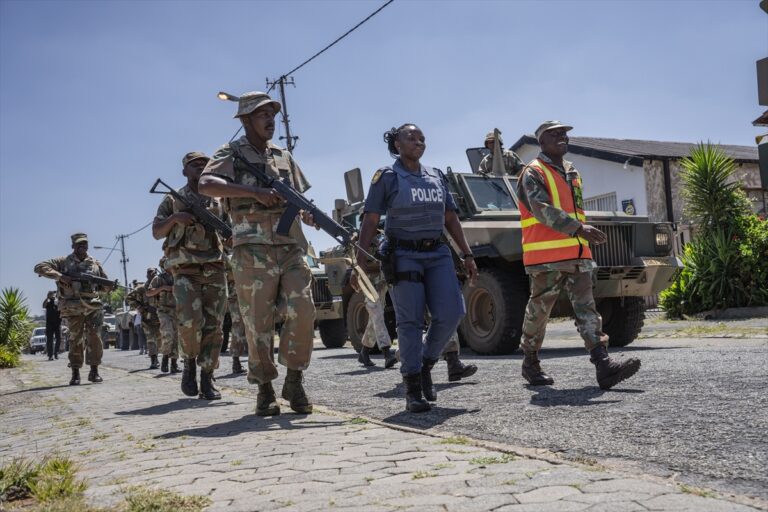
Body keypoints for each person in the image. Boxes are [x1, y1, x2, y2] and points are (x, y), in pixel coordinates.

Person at [198, 91, 316, 416]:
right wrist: (253, 192)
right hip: (251, 250)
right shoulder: (231, 152)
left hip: (290, 247)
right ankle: (265, 388)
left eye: (272, 114)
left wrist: (308, 215)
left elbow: (300, 197)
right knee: (257, 322)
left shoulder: (283, 155)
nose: (270, 120)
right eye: (262, 115)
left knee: (303, 310)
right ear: (246, 120)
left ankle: (294, 379)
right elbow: (206, 184)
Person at [355, 123, 478, 413]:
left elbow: (450, 218)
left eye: (421, 137)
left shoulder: (436, 176)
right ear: (396, 145)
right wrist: (358, 262)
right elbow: (371, 221)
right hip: (403, 255)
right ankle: (412, 388)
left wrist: (467, 254)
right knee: (409, 323)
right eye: (410, 137)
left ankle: (425, 362)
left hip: (437, 253)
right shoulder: (386, 177)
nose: (417, 141)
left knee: (452, 312)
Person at [516, 121, 641, 389]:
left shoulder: (572, 171)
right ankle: (530, 362)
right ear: (542, 142)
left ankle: (603, 365)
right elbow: (541, 209)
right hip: (546, 257)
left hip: (578, 253)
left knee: (587, 308)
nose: (562, 136)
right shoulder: (533, 172)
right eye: (555, 134)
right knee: (539, 311)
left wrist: (579, 234)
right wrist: (578, 228)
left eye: (564, 133)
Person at [152, 151, 227, 400]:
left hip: (215, 268)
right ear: (185, 171)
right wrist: (176, 218)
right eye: (194, 165)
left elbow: (233, 229)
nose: (200, 168)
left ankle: (207, 377)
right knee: (190, 322)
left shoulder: (218, 198)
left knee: (213, 326)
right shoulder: (173, 200)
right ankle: (189, 364)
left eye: (204, 165)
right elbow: (156, 232)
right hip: (186, 271)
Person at [34, 233, 113, 385]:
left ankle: (94, 371)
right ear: (73, 246)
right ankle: (75, 372)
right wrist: (60, 276)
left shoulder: (95, 263)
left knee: (95, 338)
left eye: (84, 244)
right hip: (73, 308)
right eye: (79, 244)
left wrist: (109, 287)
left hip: (93, 306)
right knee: (75, 339)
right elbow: (39, 267)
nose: (82, 247)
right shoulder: (63, 262)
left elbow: (104, 286)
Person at [146, 257, 181, 373]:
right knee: (168, 334)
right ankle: (165, 357)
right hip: (163, 311)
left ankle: (174, 364)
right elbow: (149, 292)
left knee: (176, 338)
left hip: (177, 311)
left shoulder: (179, 276)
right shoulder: (158, 279)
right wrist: (164, 288)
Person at [127, 268, 161, 369]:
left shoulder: (160, 286)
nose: (152, 276)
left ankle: (166, 359)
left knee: (162, 340)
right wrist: (139, 307)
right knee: (151, 340)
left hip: (161, 317)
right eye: (150, 274)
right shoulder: (141, 288)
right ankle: (154, 360)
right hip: (148, 318)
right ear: (147, 275)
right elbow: (129, 298)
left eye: (154, 274)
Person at [42, 291, 62, 360]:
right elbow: (43, 306)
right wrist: (47, 298)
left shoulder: (58, 302)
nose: (53, 296)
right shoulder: (48, 302)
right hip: (49, 324)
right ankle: (50, 355)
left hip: (57, 323)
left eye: (54, 294)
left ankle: (56, 353)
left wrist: (59, 298)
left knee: (59, 338)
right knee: (49, 340)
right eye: (51, 295)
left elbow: (62, 307)